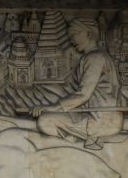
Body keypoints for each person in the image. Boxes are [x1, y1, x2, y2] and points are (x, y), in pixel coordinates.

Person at [32, 18, 122, 150]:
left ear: (88, 34)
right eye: (69, 36)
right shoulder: (94, 57)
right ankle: (72, 138)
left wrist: (54, 108)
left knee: (45, 121)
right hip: (96, 116)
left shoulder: (95, 58)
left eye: (74, 34)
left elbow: (83, 94)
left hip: (101, 120)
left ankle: (71, 146)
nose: (71, 40)